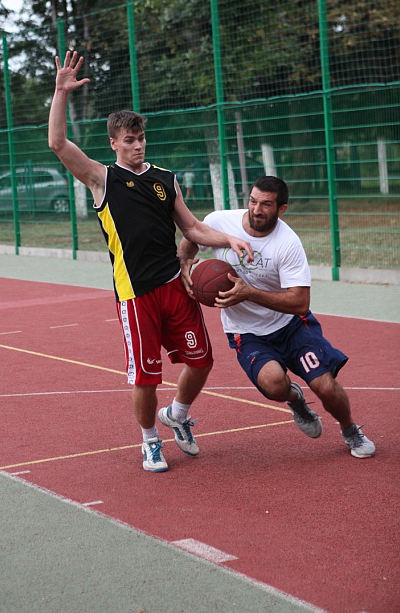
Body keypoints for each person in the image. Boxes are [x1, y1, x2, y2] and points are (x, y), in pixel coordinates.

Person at [48, 51, 254, 473]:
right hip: (135, 294)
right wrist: (61, 92)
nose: (138, 145)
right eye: (129, 140)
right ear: (114, 143)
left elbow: (192, 228)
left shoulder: (165, 179)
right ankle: (149, 441)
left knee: (202, 362)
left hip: (175, 285)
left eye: (141, 138)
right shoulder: (102, 178)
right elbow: (58, 144)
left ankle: (177, 415)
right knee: (145, 377)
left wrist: (230, 238)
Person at [179, 175, 375, 459]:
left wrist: (249, 293)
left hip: (290, 326)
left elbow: (300, 303)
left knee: (325, 387)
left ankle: (350, 429)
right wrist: (184, 264)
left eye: (266, 205)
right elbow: (191, 238)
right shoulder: (220, 221)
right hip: (246, 331)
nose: (256, 210)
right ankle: (295, 399)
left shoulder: (287, 243)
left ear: (281, 209)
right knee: (273, 385)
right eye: (253, 201)